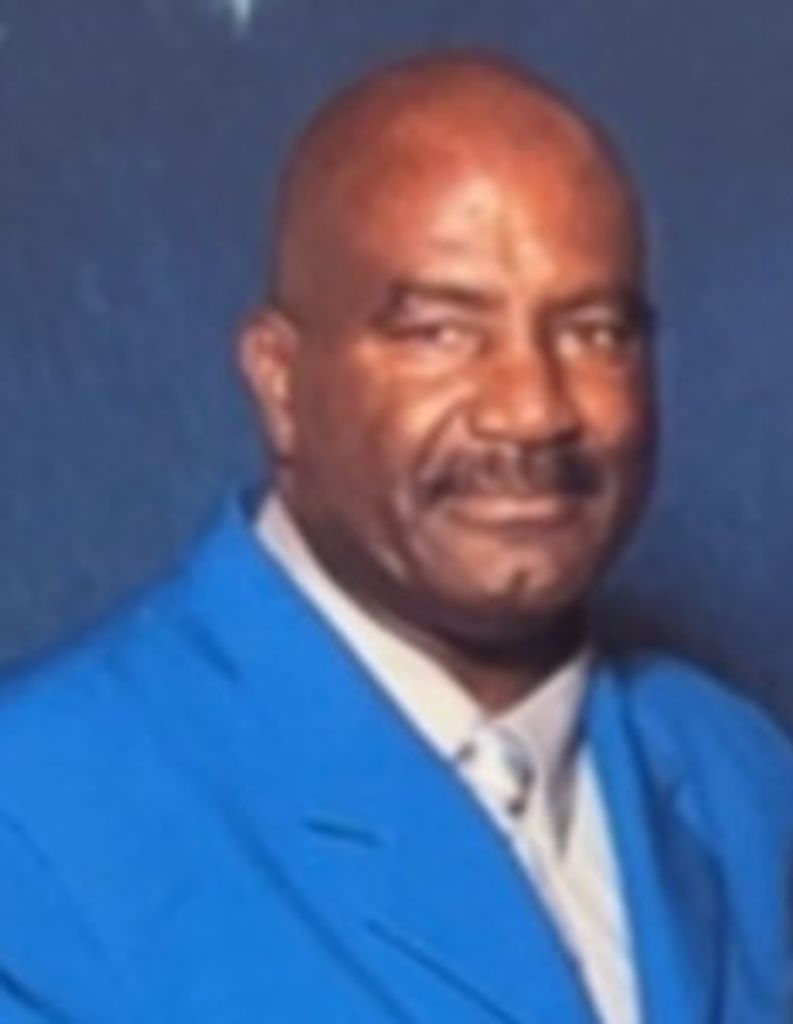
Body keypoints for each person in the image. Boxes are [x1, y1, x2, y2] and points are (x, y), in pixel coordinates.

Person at [0, 52, 790, 1024]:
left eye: (592, 332)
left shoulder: (738, 775)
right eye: (440, 332)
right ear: (279, 382)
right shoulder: (36, 819)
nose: (532, 409)